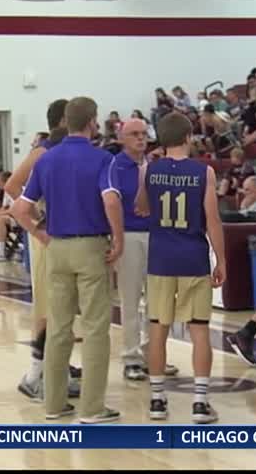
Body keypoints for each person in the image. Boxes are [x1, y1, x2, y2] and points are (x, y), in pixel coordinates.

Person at [11, 96, 124, 424]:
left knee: (59, 328)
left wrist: (41, 234)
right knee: (94, 328)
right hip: (91, 247)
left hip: (56, 248)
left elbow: (20, 208)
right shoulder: (103, 158)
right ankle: (92, 408)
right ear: (92, 121)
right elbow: (111, 201)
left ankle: (54, 404)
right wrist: (118, 238)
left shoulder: (46, 159)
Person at [134, 111, 226, 424]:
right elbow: (213, 220)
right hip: (193, 257)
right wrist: (221, 259)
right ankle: (200, 403)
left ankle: (158, 400)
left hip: (160, 259)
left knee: (158, 330)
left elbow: (141, 207)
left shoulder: (148, 169)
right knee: (199, 331)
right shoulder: (205, 173)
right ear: (189, 137)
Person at [4, 100, 81, 402]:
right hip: (46, 237)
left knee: (61, 307)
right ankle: (36, 375)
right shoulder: (43, 151)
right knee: (48, 307)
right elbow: (12, 186)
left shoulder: (63, 151)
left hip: (64, 236)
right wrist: (38, 218)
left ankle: (54, 369)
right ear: (64, 120)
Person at [109, 118, 179, 381]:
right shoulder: (115, 165)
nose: (140, 138)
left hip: (157, 235)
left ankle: (155, 355)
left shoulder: (154, 165)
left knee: (158, 299)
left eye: (143, 134)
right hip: (129, 235)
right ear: (122, 138)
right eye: (134, 134)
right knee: (130, 298)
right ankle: (131, 356)